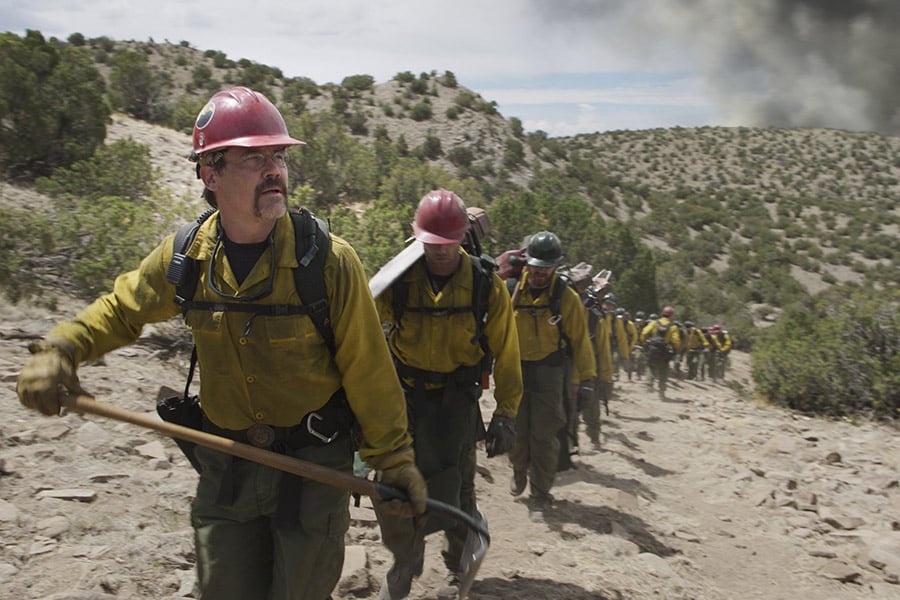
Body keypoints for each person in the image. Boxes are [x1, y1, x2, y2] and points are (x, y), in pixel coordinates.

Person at [15, 86, 427, 600]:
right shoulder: (188, 256)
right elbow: (122, 310)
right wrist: (62, 348)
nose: (274, 170)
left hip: (314, 468)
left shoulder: (326, 260)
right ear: (210, 174)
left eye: (279, 157)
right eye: (255, 159)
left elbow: (369, 371)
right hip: (227, 466)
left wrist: (394, 460)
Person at [373, 189, 522, 599]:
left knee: (457, 488)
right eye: (432, 243)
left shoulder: (484, 285)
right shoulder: (397, 282)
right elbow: (361, 330)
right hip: (405, 399)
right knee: (393, 486)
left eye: (448, 243)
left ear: (462, 238)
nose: (440, 251)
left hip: (457, 401)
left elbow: (508, 353)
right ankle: (405, 561)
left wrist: (506, 413)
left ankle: (458, 567)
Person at [508, 231, 596, 506]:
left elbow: (580, 341)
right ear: (527, 263)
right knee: (516, 429)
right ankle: (518, 470)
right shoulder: (511, 290)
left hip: (550, 370)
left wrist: (586, 380)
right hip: (516, 369)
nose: (540, 273)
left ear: (556, 267)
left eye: (546, 268)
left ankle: (540, 488)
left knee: (544, 433)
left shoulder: (565, 297)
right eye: (536, 266)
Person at [640, 305, 681, 399]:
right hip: (664, 351)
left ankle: (648, 388)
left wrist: (645, 343)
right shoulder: (673, 327)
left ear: (662, 313)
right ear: (671, 315)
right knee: (663, 371)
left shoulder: (654, 323)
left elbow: (644, 333)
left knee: (650, 367)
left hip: (652, 349)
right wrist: (676, 351)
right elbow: (676, 341)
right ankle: (661, 393)